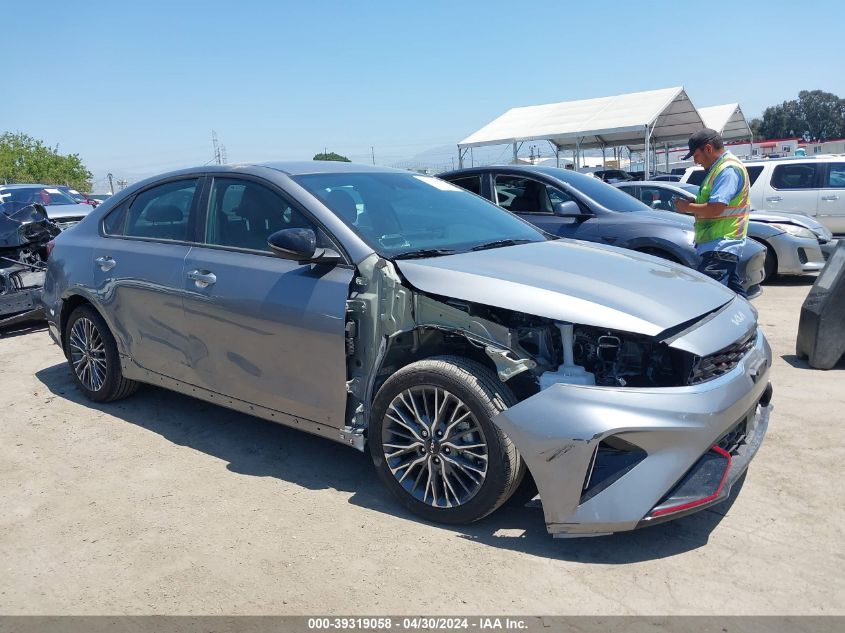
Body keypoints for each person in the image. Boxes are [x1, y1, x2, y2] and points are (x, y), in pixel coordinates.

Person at [674, 128, 751, 297]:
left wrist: (686, 207)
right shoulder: (721, 168)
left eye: (696, 155)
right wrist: (695, 204)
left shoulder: (726, 170)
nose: (696, 161)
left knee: (708, 298)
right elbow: (715, 204)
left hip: (721, 245)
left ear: (708, 148)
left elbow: (716, 208)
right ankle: (749, 322)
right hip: (722, 246)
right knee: (735, 297)